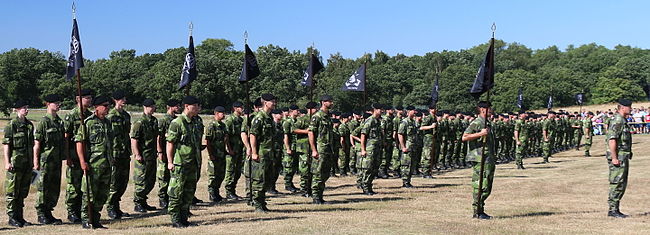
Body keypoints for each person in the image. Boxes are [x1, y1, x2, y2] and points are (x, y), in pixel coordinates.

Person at [75, 95, 114, 229]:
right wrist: (82, 161)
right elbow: (79, 143)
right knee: (89, 193)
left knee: (102, 194)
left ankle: (96, 219)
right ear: (97, 107)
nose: (107, 108)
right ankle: (86, 219)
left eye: (108, 106)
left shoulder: (108, 123)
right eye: (105, 106)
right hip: (93, 165)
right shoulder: (88, 123)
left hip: (107, 164)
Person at [166, 96, 202, 227]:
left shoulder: (194, 122)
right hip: (180, 163)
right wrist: (170, 162)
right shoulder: (177, 122)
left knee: (189, 192)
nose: (198, 108)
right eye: (195, 105)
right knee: (176, 192)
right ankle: (175, 219)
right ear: (187, 106)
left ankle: (184, 217)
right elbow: (170, 143)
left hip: (192, 163)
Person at [33, 95, 65, 225]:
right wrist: (36, 162)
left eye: (59, 103)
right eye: (55, 103)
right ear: (48, 104)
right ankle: (41, 214)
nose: (58, 105)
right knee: (43, 187)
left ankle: (48, 211)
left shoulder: (59, 121)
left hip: (56, 161)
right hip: (45, 161)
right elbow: (37, 144)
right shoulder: (43, 122)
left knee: (54, 188)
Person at [462, 101, 495, 220]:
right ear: (482, 109)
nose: (491, 110)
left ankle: (481, 209)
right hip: (479, 158)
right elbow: (464, 137)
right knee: (480, 185)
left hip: (487, 158)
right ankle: (477, 211)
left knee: (487, 185)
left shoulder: (487, 123)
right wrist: (480, 133)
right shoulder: (476, 123)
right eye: (489, 108)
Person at [3, 100, 34, 227]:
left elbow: (31, 145)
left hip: (26, 163)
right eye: (23, 108)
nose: (26, 110)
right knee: (12, 191)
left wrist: (32, 162)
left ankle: (20, 217)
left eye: (27, 107)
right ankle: (12, 217)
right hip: (15, 163)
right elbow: (7, 145)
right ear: (17, 109)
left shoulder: (29, 125)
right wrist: (7, 161)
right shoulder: (12, 125)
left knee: (22, 191)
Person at [64, 88, 93, 223]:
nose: (89, 100)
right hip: (74, 156)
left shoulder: (89, 115)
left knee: (84, 185)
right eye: (86, 97)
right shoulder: (72, 115)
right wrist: (67, 157)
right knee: (73, 186)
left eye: (90, 97)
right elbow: (66, 136)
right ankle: (72, 211)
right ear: (78, 99)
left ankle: (82, 211)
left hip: (87, 155)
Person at [248, 94, 277, 212]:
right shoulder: (259, 118)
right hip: (261, 153)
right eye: (272, 102)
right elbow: (253, 135)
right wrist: (254, 152)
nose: (274, 103)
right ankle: (257, 204)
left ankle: (262, 202)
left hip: (269, 153)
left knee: (267, 179)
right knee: (259, 179)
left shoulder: (269, 117)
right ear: (265, 103)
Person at [106, 90, 132, 219]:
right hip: (115, 153)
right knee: (114, 182)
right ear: (116, 100)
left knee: (123, 182)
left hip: (125, 153)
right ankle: (111, 207)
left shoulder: (126, 115)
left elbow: (127, 133)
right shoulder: (110, 116)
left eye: (124, 99)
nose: (124, 102)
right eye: (122, 99)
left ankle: (117, 207)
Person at [605, 99, 633, 218]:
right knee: (616, 182)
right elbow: (612, 140)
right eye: (629, 107)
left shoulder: (622, 120)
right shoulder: (617, 120)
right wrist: (614, 157)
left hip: (623, 156)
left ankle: (615, 209)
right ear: (622, 108)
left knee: (621, 183)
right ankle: (612, 210)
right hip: (618, 156)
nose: (630, 109)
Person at [131, 99, 160, 213]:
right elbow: (134, 139)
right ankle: (138, 203)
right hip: (143, 156)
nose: (153, 108)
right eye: (151, 106)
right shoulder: (140, 122)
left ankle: (143, 201)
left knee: (150, 180)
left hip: (151, 155)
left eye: (154, 106)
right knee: (141, 180)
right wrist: (137, 154)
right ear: (145, 107)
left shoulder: (153, 121)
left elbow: (156, 137)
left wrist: (158, 151)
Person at [309, 95, 335, 204]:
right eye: (330, 101)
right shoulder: (317, 116)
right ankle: (315, 197)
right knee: (318, 173)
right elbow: (311, 133)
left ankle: (320, 196)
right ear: (324, 102)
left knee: (325, 173)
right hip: (320, 149)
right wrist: (314, 149)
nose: (332, 103)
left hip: (328, 149)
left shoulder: (327, 116)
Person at [205, 106, 233, 203]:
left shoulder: (223, 126)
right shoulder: (211, 126)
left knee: (221, 174)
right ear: (216, 113)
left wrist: (228, 149)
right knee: (213, 175)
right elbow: (207, 141)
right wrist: (210, 154)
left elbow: (226, 139)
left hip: (221, 154)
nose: (224, 115)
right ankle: (212, 193)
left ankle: (217, 193)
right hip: (214, 154)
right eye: (222, 113)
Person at [157, 99, 180, 210]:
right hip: (164, 151)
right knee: (164, 176)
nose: (178, 107)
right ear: (170, 107)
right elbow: (159, 137)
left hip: (174, 151)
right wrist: (160, 151)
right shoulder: (164, 120)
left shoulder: (176, 119)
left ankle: (171, 197)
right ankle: (162, 199)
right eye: (176, 106)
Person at [358, 103, 384, 195]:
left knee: (375, 168)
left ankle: (369, 186)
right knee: (368, 168)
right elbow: (363, 135)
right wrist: (363, 149)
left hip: (377, 148)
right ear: (375, 110)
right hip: (370, 149)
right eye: (380, 109)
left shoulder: (378, 121)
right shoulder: (370, 120)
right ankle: (365, 187)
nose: (382, 111)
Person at [224, 101, 245, 200]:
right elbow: (226, 136)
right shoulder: (230, 120)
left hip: (239, 149)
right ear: (236, 108)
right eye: (241, 107)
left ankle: (233, 190)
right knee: (231, 171)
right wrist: (229, 149)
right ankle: (229, 192)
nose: (242, 109)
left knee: (237, 172)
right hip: (232, 150)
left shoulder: (240, 120)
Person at [397, 106, 417, 188]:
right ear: (408, 111)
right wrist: (403, 146)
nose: (415, 112)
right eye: (413, 110)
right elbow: (400, 134)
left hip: (413, 146)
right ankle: (405, 181)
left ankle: (408, 180)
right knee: (406, 164)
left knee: (412, 164)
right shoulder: (404, 122)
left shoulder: (413, 122)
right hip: (407, 146)